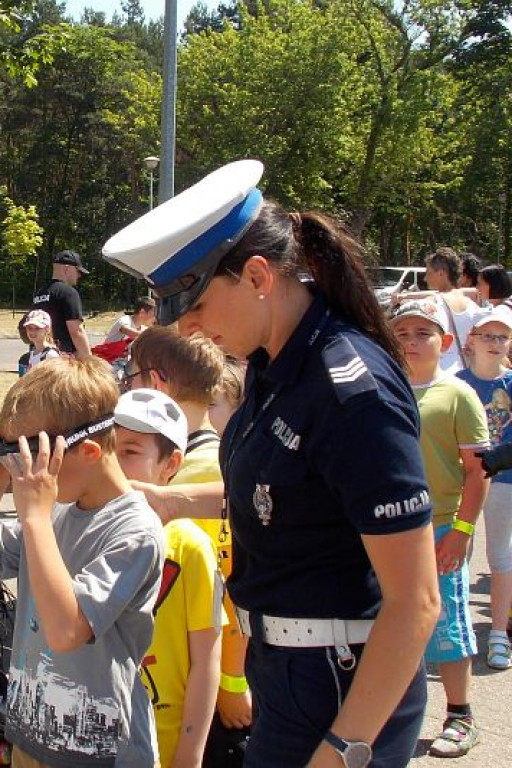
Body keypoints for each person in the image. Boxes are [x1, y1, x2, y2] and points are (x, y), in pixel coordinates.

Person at [102, 159, 440, 767]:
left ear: (257, 275)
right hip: (285, 672)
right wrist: (172, 501)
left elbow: (415, 601)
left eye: (197, 303)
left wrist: (345, 748)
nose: (189, 327)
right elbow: (285, 496)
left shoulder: (349, 391)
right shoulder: (269, 362)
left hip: (342, 683)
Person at [0, 356, 164, 767]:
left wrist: (33, 515)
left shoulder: (135, 530)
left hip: (101, 752)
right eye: (11, 457)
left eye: (30, 458)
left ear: (87, 451)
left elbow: (67, 631)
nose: (23, 475)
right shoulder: (55, 511)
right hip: (32, 741)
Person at [124, 328, 253, 752]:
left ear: (155, 384)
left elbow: (231, 591)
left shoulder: (194, 478)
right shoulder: (224, 461)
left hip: (199, 690)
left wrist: (232, 682)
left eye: (130, 377)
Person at [390, 298, 489, 758]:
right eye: (403, 332)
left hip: (440, 526)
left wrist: (462, 531)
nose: (411, 341)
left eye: (423, 333)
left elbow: (477, 471)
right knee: (391, 624)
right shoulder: (381, 387)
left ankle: (460, 714)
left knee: (448, 626)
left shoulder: (458, 395)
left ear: (445, 342)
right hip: (386, 530)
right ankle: (393, 716)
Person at [113, 387, 224, 768]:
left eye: (129, 452)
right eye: (107, 447)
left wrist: (191, 754)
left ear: (171, 464)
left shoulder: (190, 547)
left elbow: (207, 659)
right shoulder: (81, 533)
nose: (112, 462)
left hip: (166, 743)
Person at [456, 310, 512, 671]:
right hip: (463, 483)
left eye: (502, 337)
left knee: (501, 556)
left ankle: (498, 634)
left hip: (505, 481)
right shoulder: (456, 383)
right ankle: (459, 633)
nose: (494, 344)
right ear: (470, 341)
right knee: (460, 554)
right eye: (487, 336)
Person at [424, 247, 481, 373]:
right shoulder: (472, 305)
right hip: (466, 369)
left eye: (428, 273)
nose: (425, 278)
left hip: (440, 371)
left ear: (441, 273)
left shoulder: (431, 303)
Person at [31, 249, 91, 359]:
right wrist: (89, 360)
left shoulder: (39, 293)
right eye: (78, 271)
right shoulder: (68, 293)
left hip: (38, 356)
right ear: (67, 268)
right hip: (62, 359)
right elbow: (76, 331)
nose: (79, 275)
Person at [19, 309, 60, 376]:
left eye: (37, 328)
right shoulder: (25, 358)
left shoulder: (51, 355)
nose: (32, 332)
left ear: (47, 329)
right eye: (29, 328)